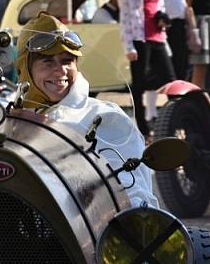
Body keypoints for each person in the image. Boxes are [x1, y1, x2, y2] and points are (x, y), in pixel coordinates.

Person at [15, 12, 157, 207]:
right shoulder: (7, 118)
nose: (61, 70)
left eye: (67, 60)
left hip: (83, 233)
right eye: (47, 61)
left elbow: (130, 193)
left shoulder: (106, 118)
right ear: (25, 68)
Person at [119, 0, 176, 137]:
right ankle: (141, 125)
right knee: (139, 83)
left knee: (169, 78)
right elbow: (125, 17)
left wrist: (163, 17)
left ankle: (174, 118)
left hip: (157, 36)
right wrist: (128, 45)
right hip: (139, 37)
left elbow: (161, 5)